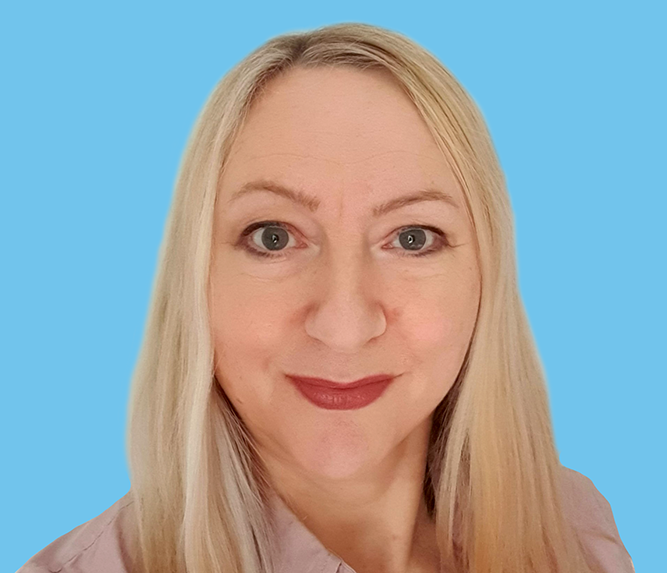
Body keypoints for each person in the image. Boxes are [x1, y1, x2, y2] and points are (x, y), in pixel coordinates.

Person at [17, 22, 634, 573]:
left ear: (484, 278)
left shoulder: (576, 535)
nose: (344, 324)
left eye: (412, 238)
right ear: (196, 278)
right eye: (273, 236)